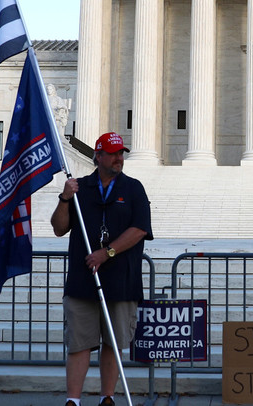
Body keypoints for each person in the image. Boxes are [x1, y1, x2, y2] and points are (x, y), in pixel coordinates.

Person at [52, 132, 152, 406]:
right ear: (99, 156)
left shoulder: (134, 189)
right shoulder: (80, 188)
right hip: (83, 281)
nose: (120, 158)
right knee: (79, 343)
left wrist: (106, 253)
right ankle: (73, 400)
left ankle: (107, 397)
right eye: (113, 153)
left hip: (121, 280)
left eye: (121, 153)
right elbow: (59, 228)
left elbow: (140, 228)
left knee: (113, 343)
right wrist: (64, 198)